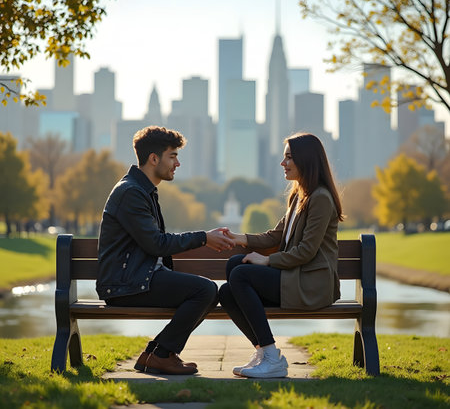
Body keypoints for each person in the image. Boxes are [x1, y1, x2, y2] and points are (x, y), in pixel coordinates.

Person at [96, 126, 233, 375]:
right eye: (173, 156)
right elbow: (156, 244)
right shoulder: (131, 193)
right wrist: (203, 237)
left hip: (135, 278)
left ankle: (158, 353)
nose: (178, 163)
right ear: (154, 158)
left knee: (209, 292)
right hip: (124, 284)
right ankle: (160, 355)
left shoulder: (141, 189)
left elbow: (153, 243)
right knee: (205, 289)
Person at [219, 132, 344, 379]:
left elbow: (307, 251)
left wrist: (266, 260)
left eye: (288, 157)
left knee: (241, 275)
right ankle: (265, 352)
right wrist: (239, 238)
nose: (282, 163)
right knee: (228, 287)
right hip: (293, 276)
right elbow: (275, 237)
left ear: (305, 160)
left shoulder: (320, 198)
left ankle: (271, 357)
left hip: (310, 282)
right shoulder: (299, 195)